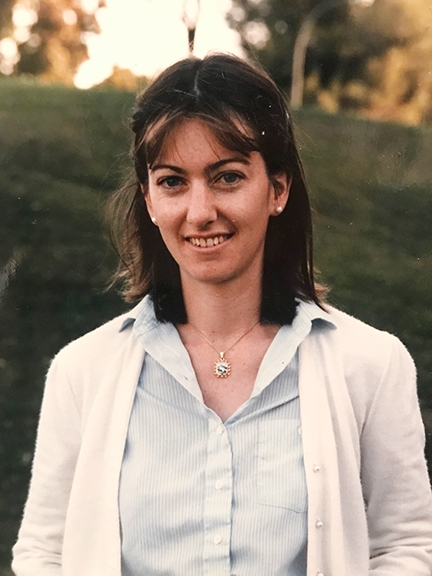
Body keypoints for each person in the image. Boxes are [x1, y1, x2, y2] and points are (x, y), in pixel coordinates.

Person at [12, 53, 432, 576]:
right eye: (172, 182)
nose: (200, 211)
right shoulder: (82, 372)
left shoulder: (371, 365)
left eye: (227, 177)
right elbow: (44, 554)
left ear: (277, 189)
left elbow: (406, 547)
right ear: (148, 199)